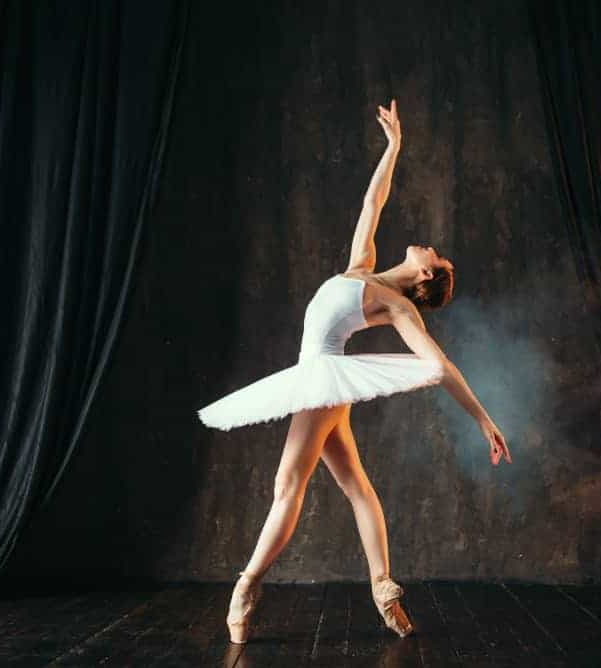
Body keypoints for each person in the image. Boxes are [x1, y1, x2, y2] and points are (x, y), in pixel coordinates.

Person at [197, 99, 511, 644]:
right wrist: (393, 148)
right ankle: (383, 585)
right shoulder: (361, 268)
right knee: (357, 488)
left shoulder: (399, 307)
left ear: (426, 273)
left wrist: (482, 419)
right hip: (321, 377)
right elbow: (373, 201)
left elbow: (440, 366)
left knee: (286, 486)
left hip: (323, 377)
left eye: (436, 254)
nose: (430, 245)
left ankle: (246, 585)